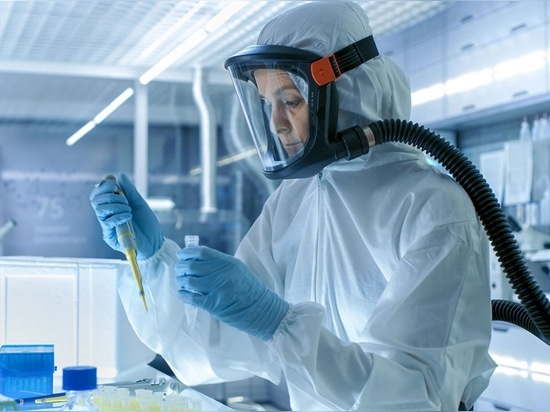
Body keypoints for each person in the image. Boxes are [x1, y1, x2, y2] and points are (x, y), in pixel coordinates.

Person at [90, 1, 496, 410]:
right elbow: (217, 346)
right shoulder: (297, 198)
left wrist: (278, 322)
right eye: (268, 104)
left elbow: (412, 396)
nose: (277, 123)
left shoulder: (433, 209)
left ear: (347, 91)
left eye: (292, 101)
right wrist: (153, 259)